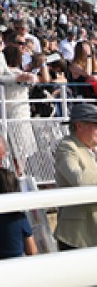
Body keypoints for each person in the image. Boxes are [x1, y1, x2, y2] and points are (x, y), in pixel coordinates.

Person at [54, 98, 97, 250]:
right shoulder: (67, 147)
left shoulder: (89, 148)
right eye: (96, 126)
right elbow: (79, 179)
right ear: (79, 126)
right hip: (77, 236)